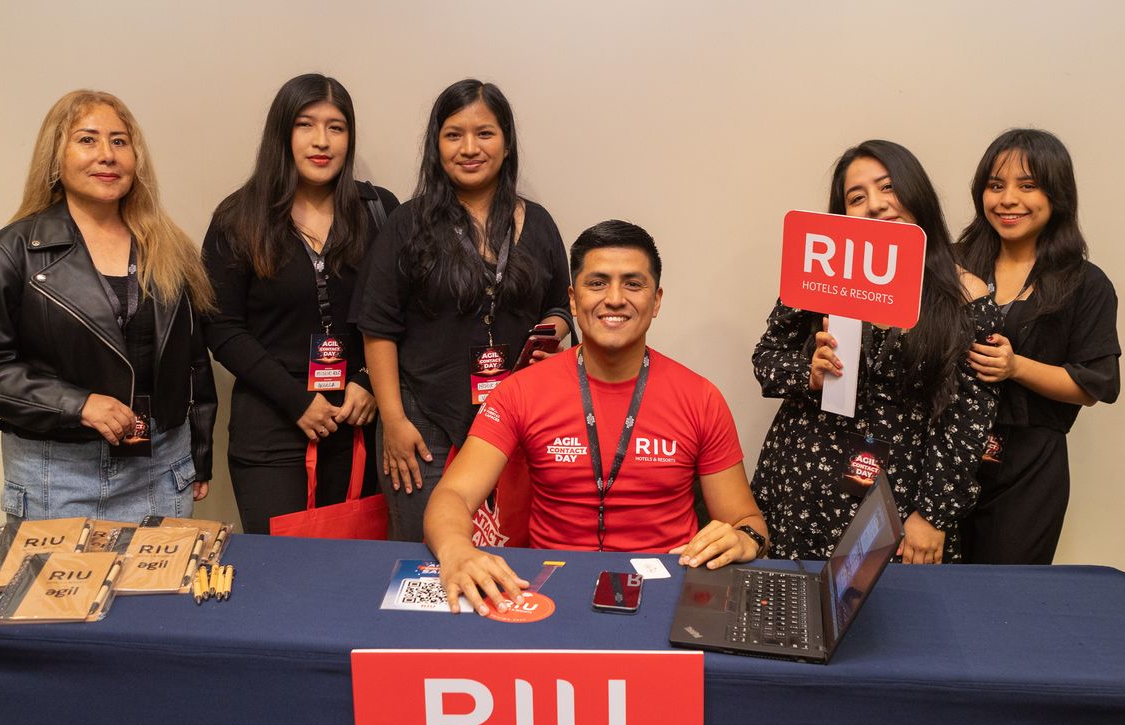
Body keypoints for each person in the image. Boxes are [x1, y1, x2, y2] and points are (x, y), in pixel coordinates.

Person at [424, 220, 769, 615]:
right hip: (549, 589)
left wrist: (744, 539)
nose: (616, 298)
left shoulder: (701, 398)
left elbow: (747, 521)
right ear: (573, 300)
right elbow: (451, 496)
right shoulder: (520, 391)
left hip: (668, 591)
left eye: (633, 284)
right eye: (598, 283)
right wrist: (456, 551)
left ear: (656, 301)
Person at [0, 89, 216, 521]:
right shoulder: (13, 251)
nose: (107, 155)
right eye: (87, 140)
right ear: (56, 158)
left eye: (119, 141)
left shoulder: (169, 248)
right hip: (55, 474)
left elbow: (193, 362)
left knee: (159, 592)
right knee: (56, 592)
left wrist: (200, 452)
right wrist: (78, 404)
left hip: (161, 467)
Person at [751, 140, 998, 564]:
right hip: (801, 485)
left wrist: (932, 515)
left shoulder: (965, 295)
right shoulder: (819, 272)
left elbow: (969, 419)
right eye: (857, 197)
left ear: (916, 192)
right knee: (791, 618)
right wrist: (807, 371)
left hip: (898, 499)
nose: (877, 205)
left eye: (888, 187)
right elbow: (766, 360)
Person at [358, 78, 571, 541]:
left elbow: (561, 302)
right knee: (424, 562)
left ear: (507, 142)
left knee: (514, 553)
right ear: (437, 144)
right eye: (454, 134)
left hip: (517, 420)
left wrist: (552, 331)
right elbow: (378, 328)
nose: (469, 147)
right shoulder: (406, 224)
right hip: (423, 424)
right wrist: (393, 421)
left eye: (485, 133)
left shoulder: (538, 222)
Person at [201, 74, 398, 534]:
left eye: (337, 127)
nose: (321, 141)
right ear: (282, 133)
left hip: (359, 422)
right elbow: (222, 328)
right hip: (272, 426)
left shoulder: (379, 210)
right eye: (306, 125)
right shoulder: (238, 216)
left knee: (358, 571)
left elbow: (400, 310)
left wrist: (368, 381)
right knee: (281, 576)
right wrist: (296, 401)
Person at [960, 129, 1119, 564]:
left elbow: (1093, 385)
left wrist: (1016, 367)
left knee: (1003, 602)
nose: (1008, 199)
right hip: (942, 457)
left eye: (1027, 186)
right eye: (996, 185)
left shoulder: (1086, 284)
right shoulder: (952, 265)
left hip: (1028, 471)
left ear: (1057, 195)